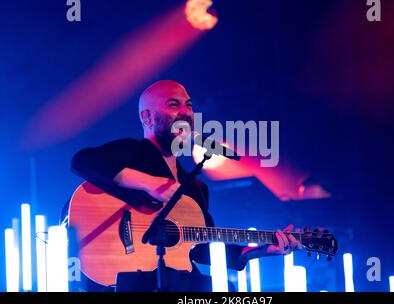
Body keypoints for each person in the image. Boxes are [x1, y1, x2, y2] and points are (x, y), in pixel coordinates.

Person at [70, 80, 301, 291]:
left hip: (176, 280)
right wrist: (150, 183)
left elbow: (200, 248)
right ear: (147, 117)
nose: (185, 112)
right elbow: (82, 161)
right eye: (173, 105)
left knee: (227, 291)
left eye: (188, 105)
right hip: (133, 277)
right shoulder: (134, 153)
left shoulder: (196, 188)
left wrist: (260, 251)